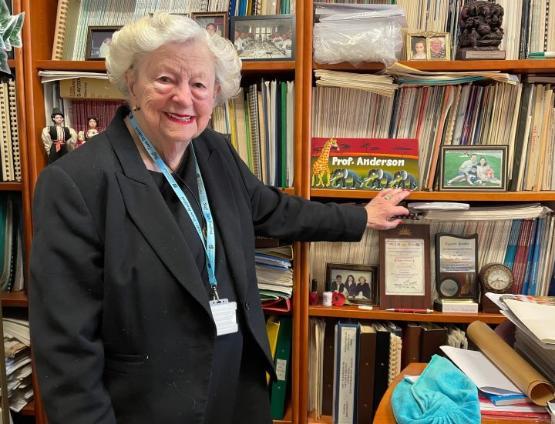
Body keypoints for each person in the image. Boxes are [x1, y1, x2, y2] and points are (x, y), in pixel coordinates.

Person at [29, 13, 410, 424]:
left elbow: (272, 209)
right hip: (148, 405)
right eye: (165, 80)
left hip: (236, 388)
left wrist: (361, 218)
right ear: (132, 83)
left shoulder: (214, 152)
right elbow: (66, 348)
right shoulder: (76, 183)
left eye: (198, 84)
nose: (183, 98)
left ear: (215, 93)